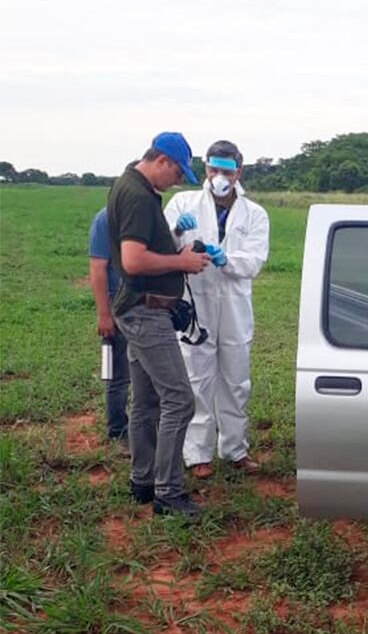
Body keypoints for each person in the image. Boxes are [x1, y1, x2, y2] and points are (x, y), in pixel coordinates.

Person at [107, 132, 210, 517]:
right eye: (177, 173)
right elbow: (133, 261)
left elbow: (142, 249)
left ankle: (143, 481)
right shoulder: (136, 195)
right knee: (180, 400)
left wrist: (177, 244)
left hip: (140, 308)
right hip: (144, 312)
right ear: (162, 160)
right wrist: (181, 263)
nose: (177, 181)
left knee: (148, 401)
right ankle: (169, 492)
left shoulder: (133, 187)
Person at [164, 139, 269, 479]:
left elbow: (254, 261)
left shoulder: (255, 213)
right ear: (205, 168)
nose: (217, 176)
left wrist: (228, 260)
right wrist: (179, 228)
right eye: (212, 169)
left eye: (225, 170)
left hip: (235, 305)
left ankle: (235, 448)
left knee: (236, 380)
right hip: (197, 300)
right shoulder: (183, 202)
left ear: (238, 171)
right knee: (198, 377)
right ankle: (197, 455)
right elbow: (165, 244)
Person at [88, 207, 130, 450]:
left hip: (141, 301)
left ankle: (140, 426)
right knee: (117, 373)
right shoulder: (106, 217)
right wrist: (104, 314)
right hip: (117, 302)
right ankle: (118, 430)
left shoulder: (146, 209)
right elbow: (97, 267)